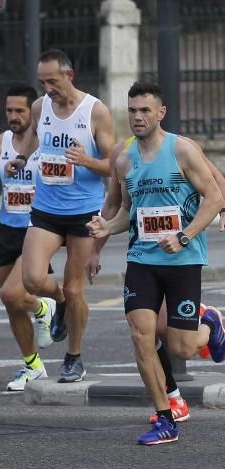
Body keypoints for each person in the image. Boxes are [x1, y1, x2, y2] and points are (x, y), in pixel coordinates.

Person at [87, 80, 225, 445]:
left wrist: (183, 236)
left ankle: (209, 323)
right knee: (140, 334)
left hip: (182, 260)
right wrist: (105, 226)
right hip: (142, 259)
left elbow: (213, 198)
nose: (137, 117)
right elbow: (127, 213)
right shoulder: (123, 159)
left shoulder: (183, 150)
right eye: (132, 110)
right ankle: (166, 417)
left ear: (160, 113)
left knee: (180, 347)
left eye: (145, 110)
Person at [12, 49, 115, 383]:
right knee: (31, 279)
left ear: (68, 76)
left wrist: (87, 161)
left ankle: (74, 357)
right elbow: (31, 139)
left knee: (75, 290)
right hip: (46, 208)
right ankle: (56, 303)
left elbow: (115, 165)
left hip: (84, 212)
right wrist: (21, 158)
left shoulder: (95, 112)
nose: (47, 88)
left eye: (52, 81)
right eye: (42, 82)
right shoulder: (41, 106)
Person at [0, 85, 56, 391]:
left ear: (32, 113)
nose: (13, 116)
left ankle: (44, 308)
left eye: (20, 111)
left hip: (36, 229)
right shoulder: (0, 143)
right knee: (12, 305)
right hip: (6, 229)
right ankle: (33, 365)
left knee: (11, 295)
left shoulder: (45, 144)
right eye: (9, 110)